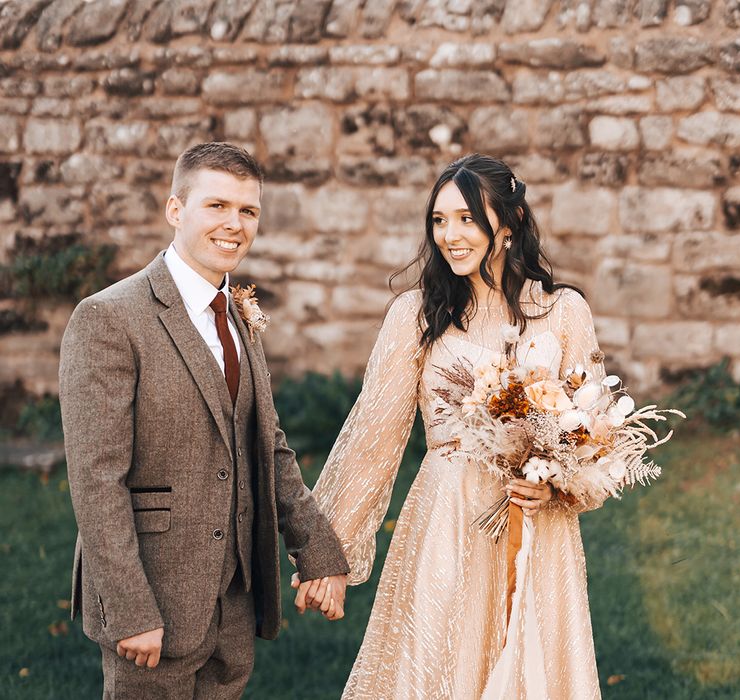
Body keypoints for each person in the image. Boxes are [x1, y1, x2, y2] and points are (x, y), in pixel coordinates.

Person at [306, 153, 607, 699]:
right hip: (448, 519)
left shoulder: (564, 312)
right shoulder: (416, 315)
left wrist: (555, 480)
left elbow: (594, 434)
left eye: (467, 218)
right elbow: (374, 437)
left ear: (509, 225)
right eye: (439, 220)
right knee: (439, 667)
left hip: (539, 532)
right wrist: (327, 552)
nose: (450, 235)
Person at [59, 142, 349, 699]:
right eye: (216, 206)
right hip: (152, 602)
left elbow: (268, 445)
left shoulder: (237, 313)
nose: (234, 224)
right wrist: (129, 608)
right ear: (176, 210)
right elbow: (96, 480)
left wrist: (316, 551)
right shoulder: (108, 318)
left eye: (248, 211)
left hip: (233, 600)